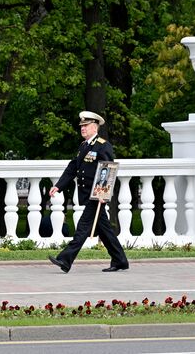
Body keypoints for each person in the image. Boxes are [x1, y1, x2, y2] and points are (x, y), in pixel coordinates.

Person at [48, 111, 129, 273]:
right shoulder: (84, 146)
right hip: (87, 194)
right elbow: (73, 168)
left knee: (83, 227)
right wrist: (59, 186)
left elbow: (107, 169)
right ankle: (120, 260)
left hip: (96, 195)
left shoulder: (103, 145)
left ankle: (65, 259)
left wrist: (102, 194)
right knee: (105, 231)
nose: (82, 129)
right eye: (81, 126)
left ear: (95, 127)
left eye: (86, 126)